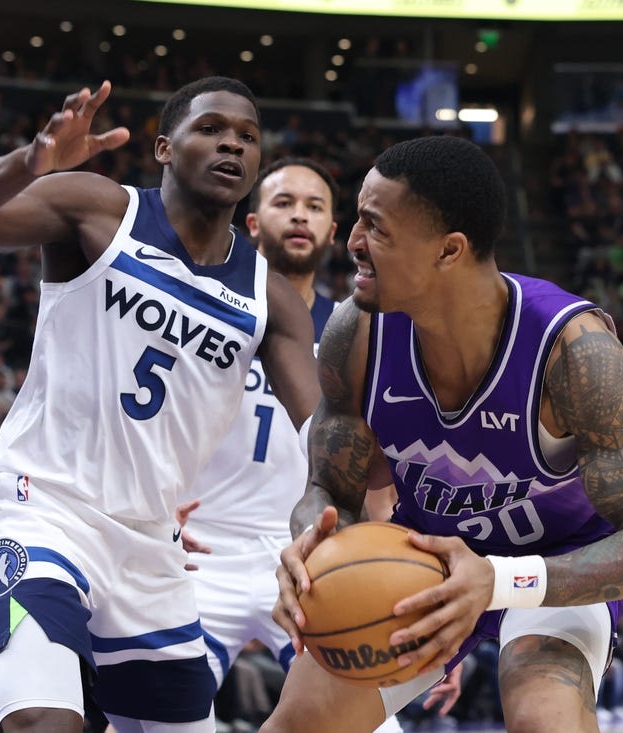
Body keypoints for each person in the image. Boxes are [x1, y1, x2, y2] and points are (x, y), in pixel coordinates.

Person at [0, 76, 319, 733]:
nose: (231, 144)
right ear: (163, 147)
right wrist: (27, 162)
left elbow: (323, 436)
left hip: (150, 548)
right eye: (210, 129)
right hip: (41, 507)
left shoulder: (271, 297)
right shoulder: (100, 209)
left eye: (246, 136)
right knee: (44, 720)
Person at [263, 136, 623, 733]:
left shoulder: (572, 351)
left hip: (552, 570)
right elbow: (326, 489)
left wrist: (502, 580)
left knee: (545, 720)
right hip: (422, 562)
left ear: (449, 250)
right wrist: (313, 547)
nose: (353, 242)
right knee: (298, 724)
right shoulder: (356, 334)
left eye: (375, 227)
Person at [182, 159, 446, 730]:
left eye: (315, 206)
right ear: (251, 224)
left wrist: (399, 582)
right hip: (199, 554)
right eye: (283, 203)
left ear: (333, 232)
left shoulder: (358, 332)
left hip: (310, 554)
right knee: (145, 718)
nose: (299, 214)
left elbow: (375, 479)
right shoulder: (200, 315)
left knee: (373, 725)